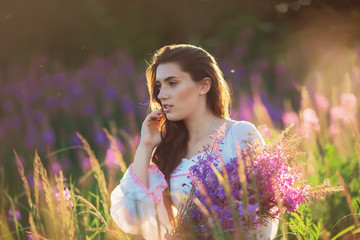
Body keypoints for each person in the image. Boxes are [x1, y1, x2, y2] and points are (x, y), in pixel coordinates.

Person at [110, 44, 278, 240]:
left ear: (204, 86)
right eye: (159, 85)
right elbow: (133, 216)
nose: (162, 95)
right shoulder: (169, 149)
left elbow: (263, 221)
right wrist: (146, 146)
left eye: (172, 83)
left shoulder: (240, 134)